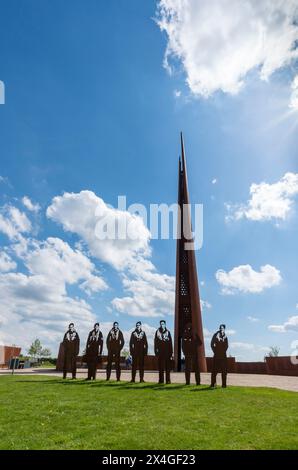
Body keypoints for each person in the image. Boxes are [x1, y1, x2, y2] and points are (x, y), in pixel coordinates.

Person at [154, 320, 173, 384]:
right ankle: (161, 380)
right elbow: (155, 342)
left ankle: (168, 380)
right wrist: (156, 352)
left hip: (167, 352)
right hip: (160, 352)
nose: (162, 325)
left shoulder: (168, 332)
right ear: (160, 324)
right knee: (161, 368)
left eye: (163, 324)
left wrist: (171, 352)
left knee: (168, 368)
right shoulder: (157, 332)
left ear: (165, 324)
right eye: (161, 324)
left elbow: (170, 343)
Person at [210, 324, 229, 388]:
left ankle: (224, 385)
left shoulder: (225, 336)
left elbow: (227, 345)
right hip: (217, 355)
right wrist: (215, 351)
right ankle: (213, 384)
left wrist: (223, 351)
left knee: (224, 371)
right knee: (214, 371)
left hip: (223, 356)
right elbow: (212, 344)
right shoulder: (215, 335)